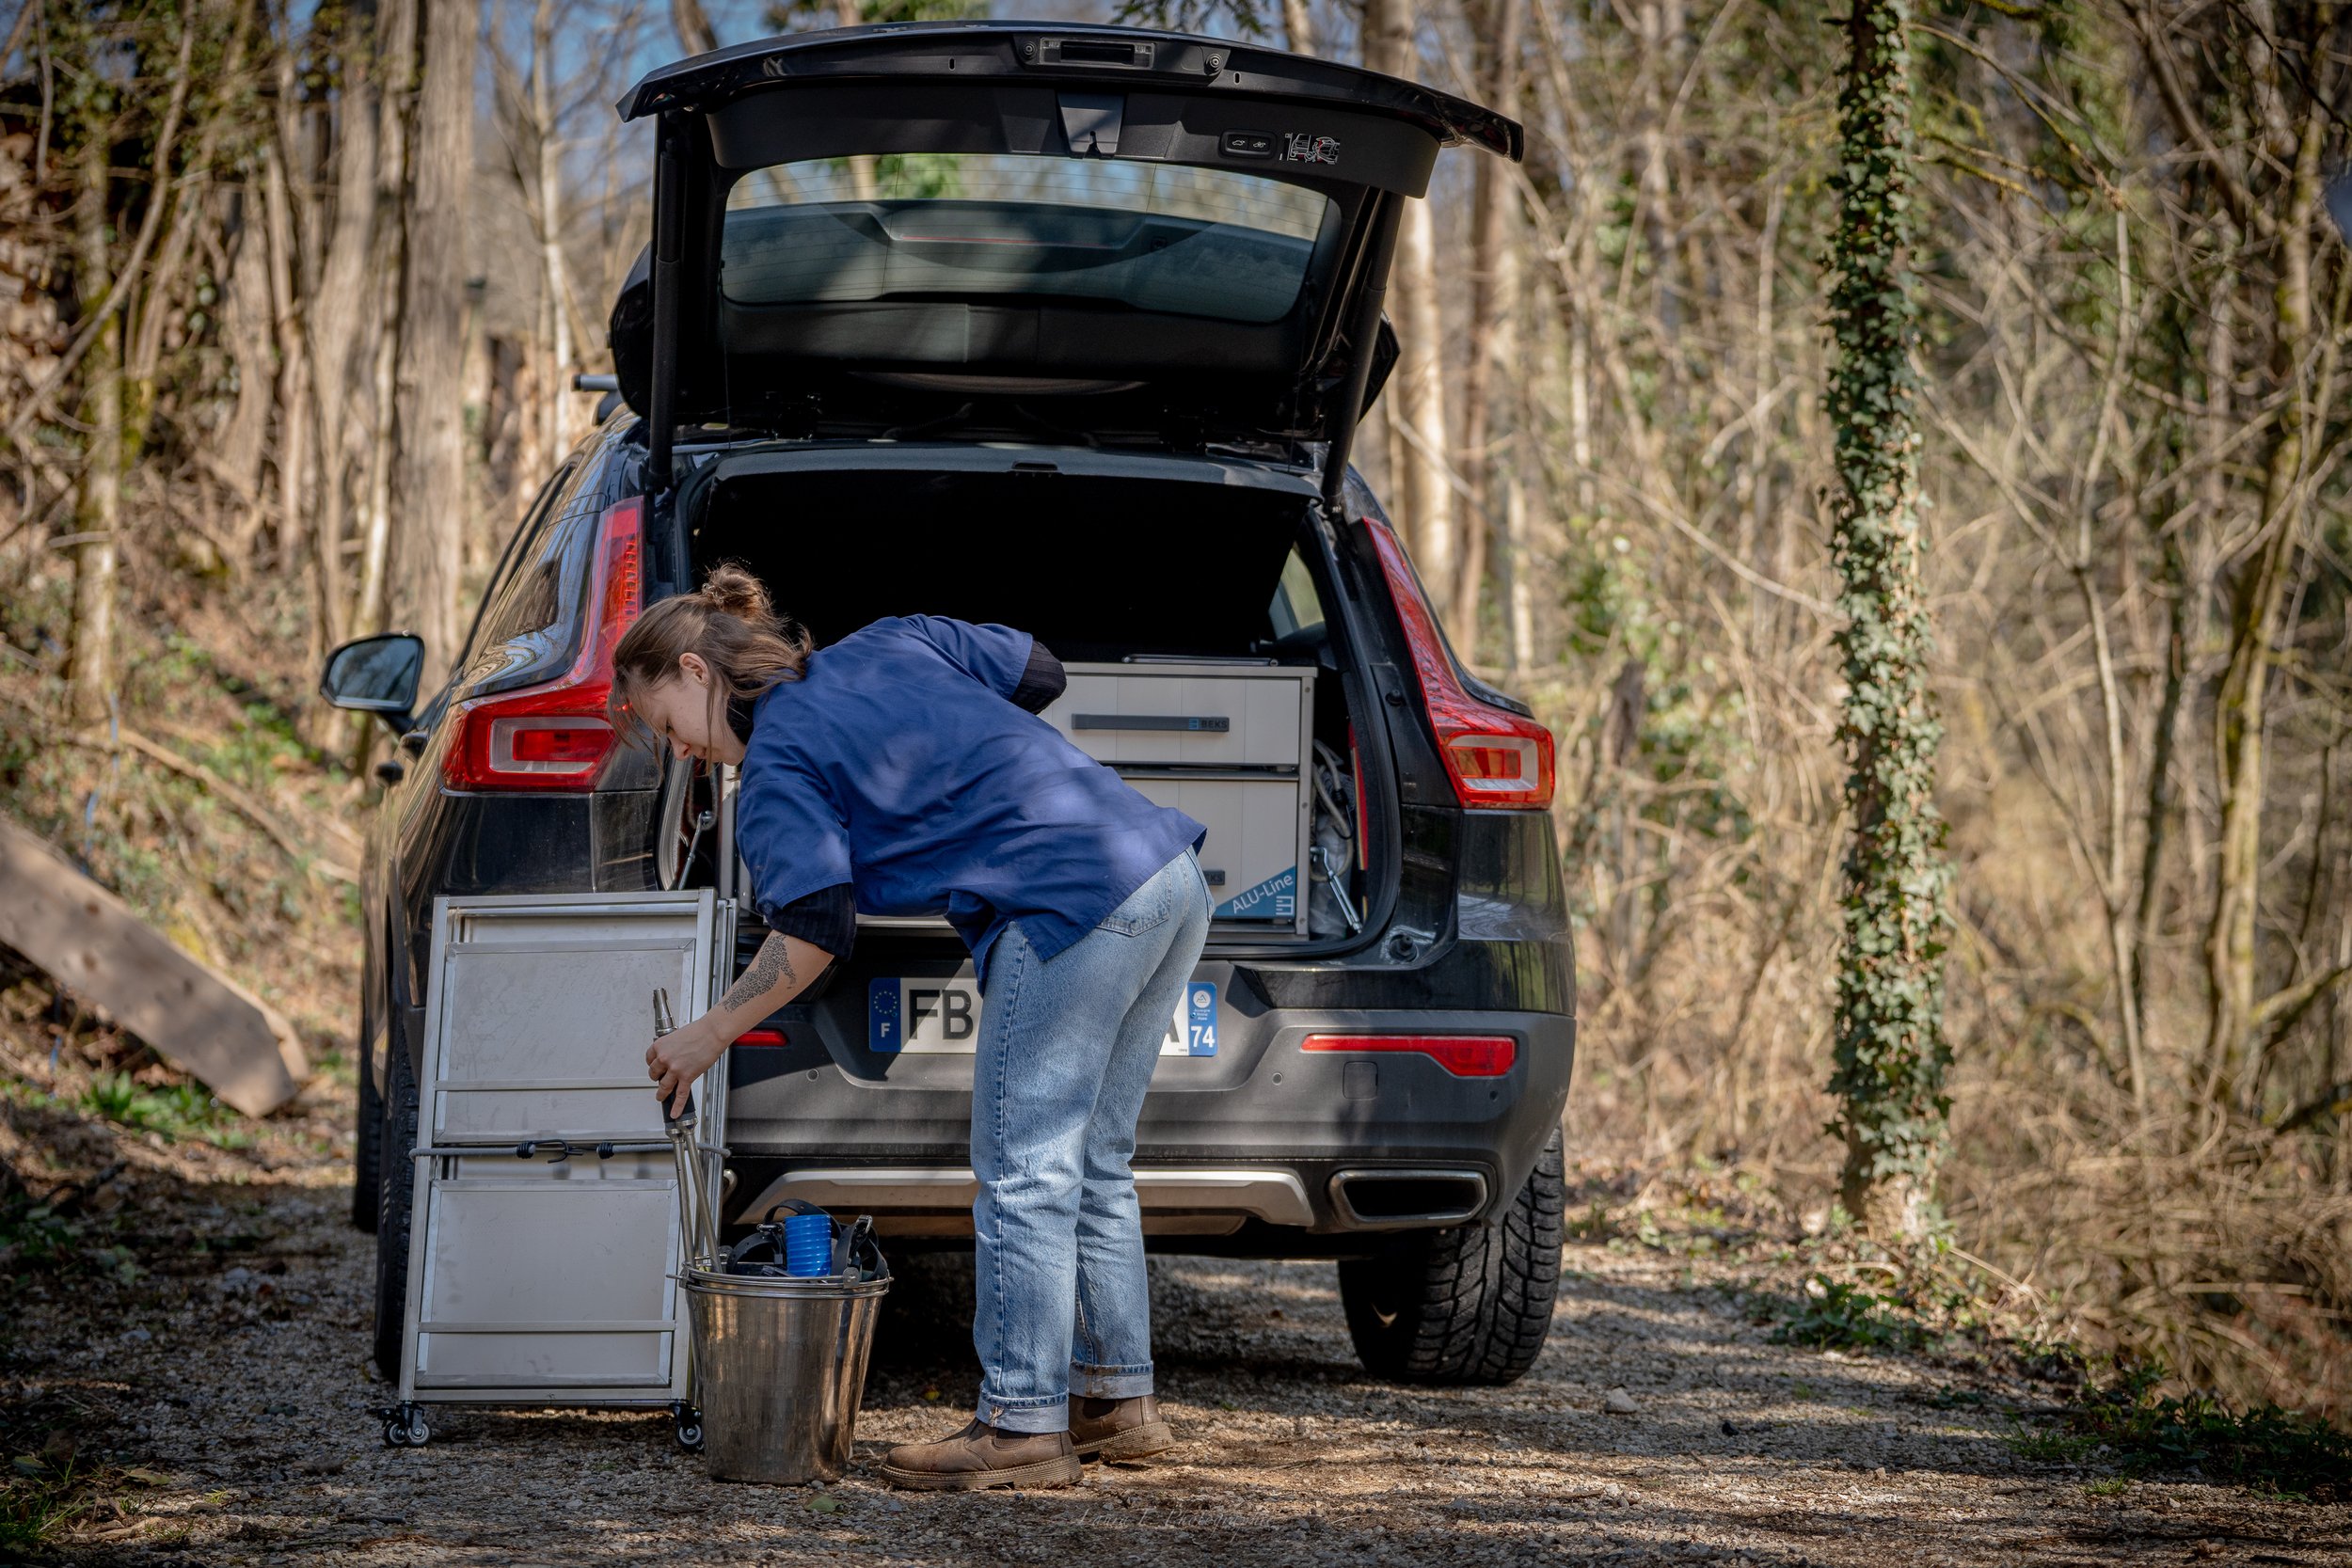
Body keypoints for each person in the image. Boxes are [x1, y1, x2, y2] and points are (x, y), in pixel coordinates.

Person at [611, 564, 1211, 1491]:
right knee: (1091, 1156)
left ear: (695, 670)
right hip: (1163, 875)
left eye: (668, 727)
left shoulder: (775, 767)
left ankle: (1019, 1425)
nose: (685, 752)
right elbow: (1038, 670)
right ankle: (1114, 1399)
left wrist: (707, 1032)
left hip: (1065, 904)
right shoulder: (891, 639)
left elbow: (813, 928)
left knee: (1024, 1166)